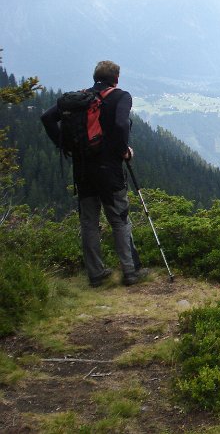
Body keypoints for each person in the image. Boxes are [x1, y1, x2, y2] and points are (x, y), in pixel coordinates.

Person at [41, 60, 148, 287]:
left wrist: (64, 145)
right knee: (119, 219)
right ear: (116, 78)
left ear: (94, 77)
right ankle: (130, 272)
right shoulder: (120, 96)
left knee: (89, 222)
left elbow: (47, 118)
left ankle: (96, 274)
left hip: (82, 169)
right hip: (109, 169)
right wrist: (124, 151)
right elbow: (121, 125)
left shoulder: (79, 99)